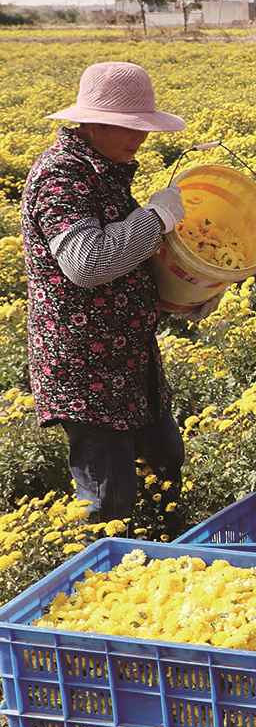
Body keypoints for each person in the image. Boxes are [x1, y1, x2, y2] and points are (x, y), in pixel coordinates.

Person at [23, 61, 195, 535]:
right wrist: (155, 218)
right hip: (87, 369)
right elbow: (87, 263)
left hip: (129, 359)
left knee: (164, 468)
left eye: (144, 128)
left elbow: (128, 263)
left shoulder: (106, 168)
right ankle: (108, 591)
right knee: (111, 498)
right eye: (130, 128)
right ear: (92, 122)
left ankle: (171, 571)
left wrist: (187, 296)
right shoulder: (61, 177)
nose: (140, 139)